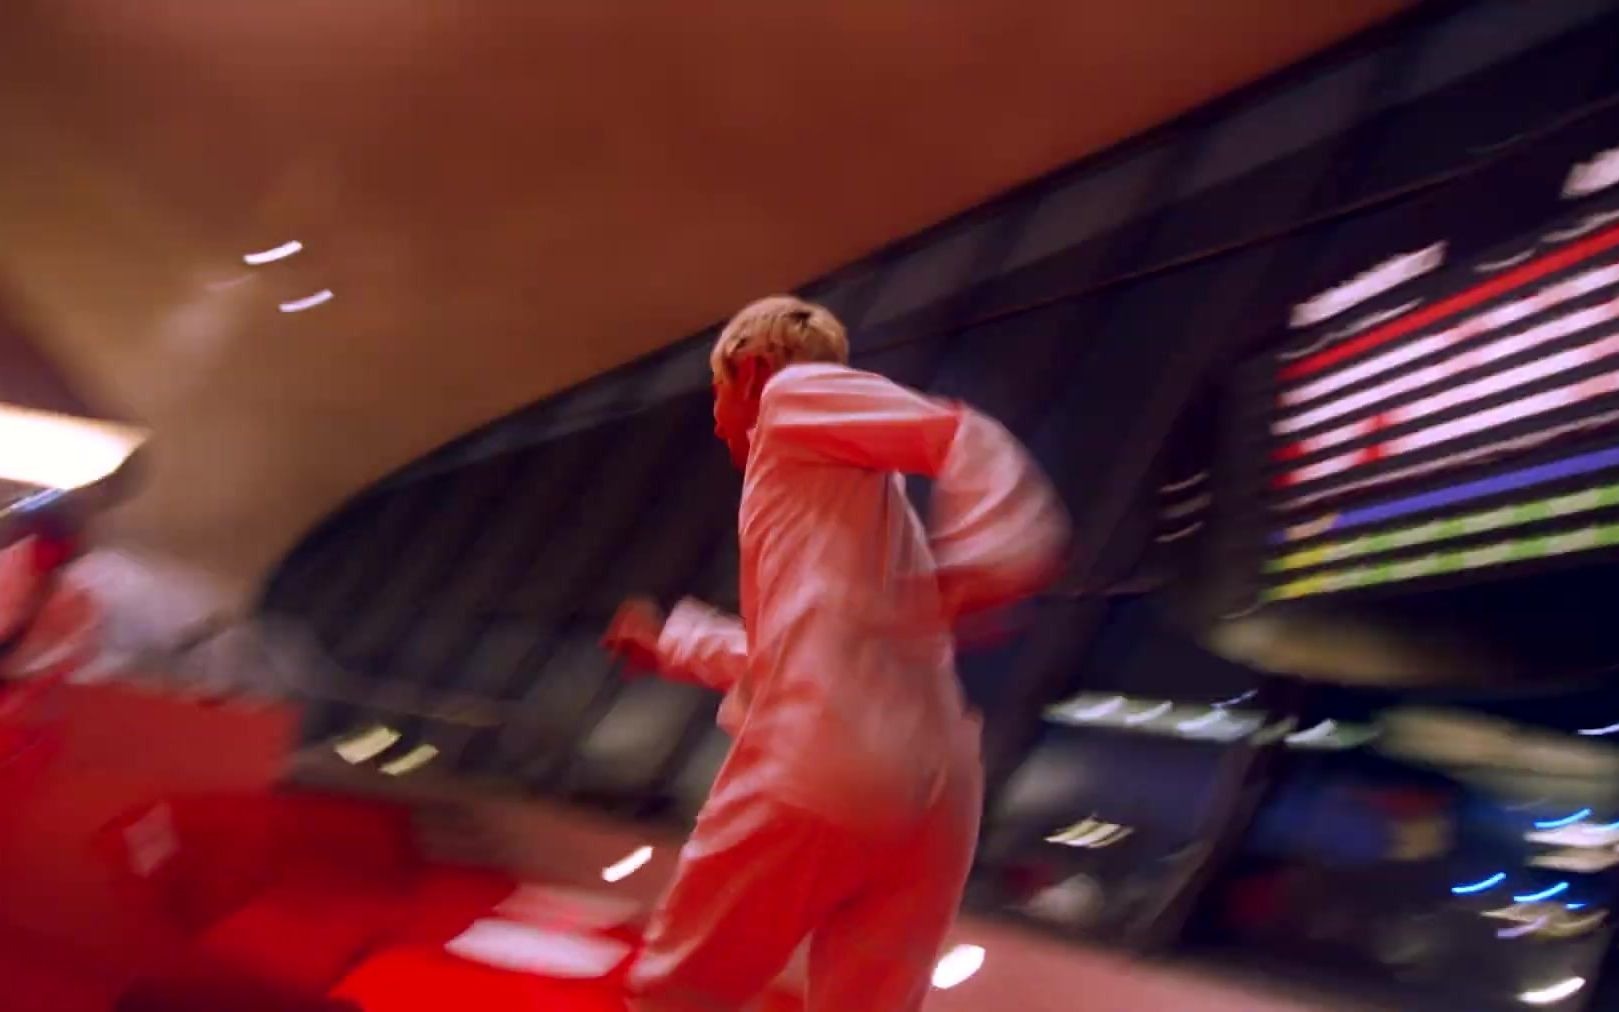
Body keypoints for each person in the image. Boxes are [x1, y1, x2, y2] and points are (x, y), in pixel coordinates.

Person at [602, 295, 1069, 1011]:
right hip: (935, 797)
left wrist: (991, 555)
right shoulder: (858, 511)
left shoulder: (787, 398)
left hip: (825, 760)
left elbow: (957, 431)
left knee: (679, 993)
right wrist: (672, 643)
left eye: (717, 391)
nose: (716, 418)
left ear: (751, 369)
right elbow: (790, 651)